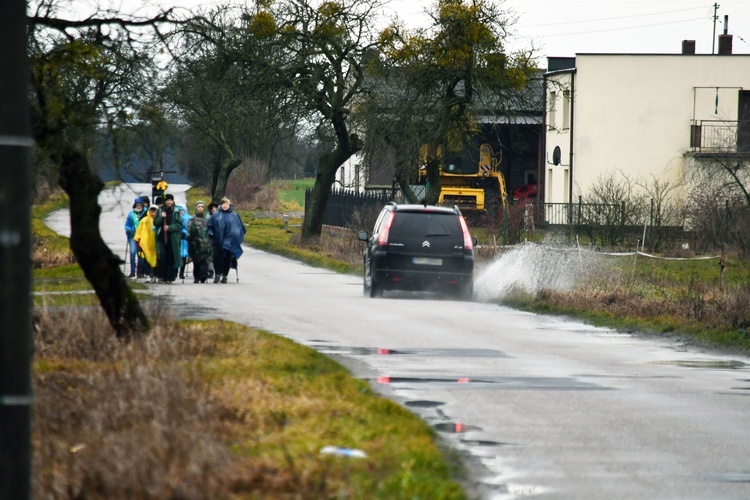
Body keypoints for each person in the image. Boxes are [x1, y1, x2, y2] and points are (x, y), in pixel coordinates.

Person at [207, 197, 246, 284]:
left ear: (229, 205)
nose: (225, 206)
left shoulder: (234, 216)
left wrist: (236, 236)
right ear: (221, 205)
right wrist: (210, 232)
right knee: (217, 257)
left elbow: (239, 228)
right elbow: (210, 226)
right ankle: (217, 274)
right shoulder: (215, 215)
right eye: (223, 204)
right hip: (217, 240)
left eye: (226, 204)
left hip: (229, 241)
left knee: (227, 258)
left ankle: (225, 275)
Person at [153, 193, 183, 283]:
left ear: (173, 201)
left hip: (172, 238)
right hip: (162, 237)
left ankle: (170, 277)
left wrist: (170, 228)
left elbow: (179, 224)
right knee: (162, 256)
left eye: (171, 200)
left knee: (171, 257)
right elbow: (155, 222)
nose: (169, 202)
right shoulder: (160, 210)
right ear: (165, 201)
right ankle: (162, 276)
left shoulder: (176, 211)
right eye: (167, 200)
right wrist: (162, 218)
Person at [187, 201, 212, 283]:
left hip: (206, 244)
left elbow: (211, 229)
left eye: (202, 206)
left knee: (205, 261)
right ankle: (196, 277)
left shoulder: (207, 219)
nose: (200, 208)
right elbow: (188, 230)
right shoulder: (192, 220)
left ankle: (204, 275)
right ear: (196, 208)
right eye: (199, 207)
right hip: (195, 245)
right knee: (196, 262)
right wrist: (187, 236)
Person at [134, 205, 158, 282]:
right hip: (146, 244)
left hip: (155, 243)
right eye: (152, 211)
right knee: (147, 259)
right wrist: (138, 240)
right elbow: (139, 231)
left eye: (155, 211)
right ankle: (147, 274)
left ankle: (155, 274)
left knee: (156, 259)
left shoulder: (159, 220)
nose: (153, 213)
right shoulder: (144, 220)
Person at [124, 197, 143, 278]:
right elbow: (127, 224)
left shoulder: (145, 213)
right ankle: (132, 271)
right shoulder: (131, 214)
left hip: (142, 236)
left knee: (141, 254)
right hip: (132, 236)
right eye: (137, 205)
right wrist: (127, 229)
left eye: (140, 205)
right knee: (132, 253)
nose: (138, 206)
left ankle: (140, 272)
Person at [206, 202, 219, 279]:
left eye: (215, 208)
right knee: (209, 255)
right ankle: (210, 271)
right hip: (209, 238)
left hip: (218, 239)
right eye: (212, 208)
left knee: (216, 256)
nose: (214, 209)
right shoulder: (208, 217)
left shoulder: (220, 217)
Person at [178, 204, 190, 280]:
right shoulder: (175, 217)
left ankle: (181, 272)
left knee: (184, 255)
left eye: (182, 210)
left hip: (185, 240)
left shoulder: (188, 218)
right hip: (177, 238)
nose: (181, 212)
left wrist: (185, 233)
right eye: (180, 210)